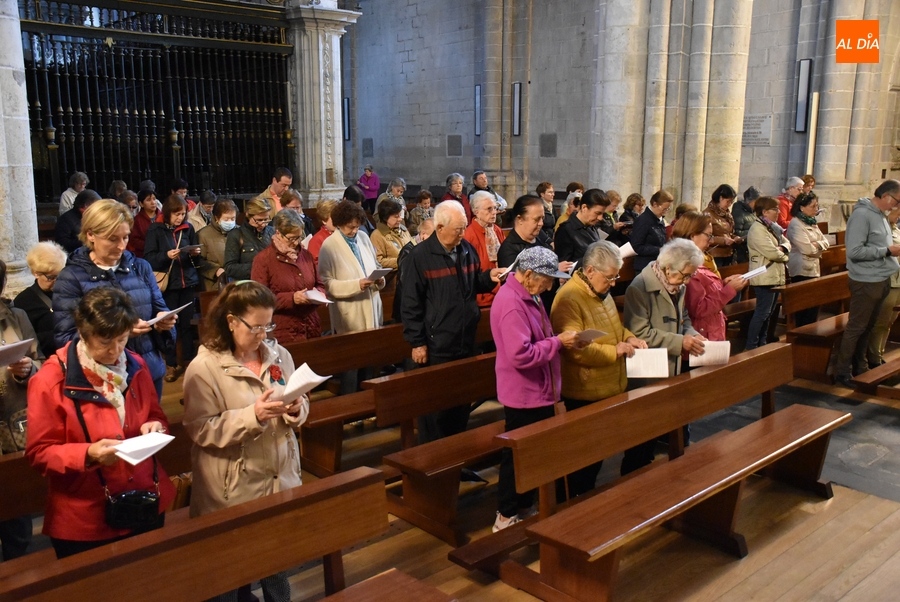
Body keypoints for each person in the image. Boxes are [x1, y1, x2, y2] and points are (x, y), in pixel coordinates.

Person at [27, 287, 175, 559]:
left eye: (122, 339)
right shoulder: (51, 381)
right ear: (83, 333)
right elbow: (39, 453)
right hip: (86, 515)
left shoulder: (136, 365)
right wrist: (88, 453)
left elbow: (156, 414)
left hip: (144, 497)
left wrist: (154, 425)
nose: (116, 350)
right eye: (105, 342)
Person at [183, 281, 308, 601]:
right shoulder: (204, 368)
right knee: (231, 573)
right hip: (233, 488)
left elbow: (300, 402)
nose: (263, 335)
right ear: (231, 321)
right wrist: (253, 416)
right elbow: (201, 429)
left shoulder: (279, 355)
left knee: (277, 565)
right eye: (256, 327)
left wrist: (296, 408)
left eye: (269, 325)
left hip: (280, 478)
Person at [491, 247, 582, 532]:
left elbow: (539, 335)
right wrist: (558, 343)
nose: (550, 285)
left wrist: (559, 340)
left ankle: (523, 508)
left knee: (535, 454)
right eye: (547, 279)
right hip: (524, 394)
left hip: (540, 389)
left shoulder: (530, 294)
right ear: (528, 274)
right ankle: (505, 517)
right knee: (518, 458)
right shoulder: (512, 303)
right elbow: (521, 355)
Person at [550, 241, 647, 498]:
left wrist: (629, 337)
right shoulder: (570, 298)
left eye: (616, 276)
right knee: (581, 463)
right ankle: (570, 511)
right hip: (583, 390)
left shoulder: (599, 291)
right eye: (610, 277)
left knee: (597, 456)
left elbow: (612, 327)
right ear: (590, 270)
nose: (614, 282)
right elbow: (574, 347)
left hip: (607, 386)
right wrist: (614, 351)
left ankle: (585, 506)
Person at [54, 200, 177, 398]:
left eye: (126, 237)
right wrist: (121, 333)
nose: (121, 246)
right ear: (90, 235)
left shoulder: (141, 267)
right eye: (112, 239)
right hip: (104, 379)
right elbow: (66, 339)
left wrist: (164, 322)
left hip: (147, 369)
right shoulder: (72, 277)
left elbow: (158, 308)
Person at [400, 200, 502, 442]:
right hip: (438, 345)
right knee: (437, 411)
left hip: (465, 340)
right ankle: (435, 466)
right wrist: (417, 342)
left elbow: (472, 283)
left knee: (460, 405)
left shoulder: (466, 249)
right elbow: (410, 303)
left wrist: (489, 277)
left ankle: (456, 459)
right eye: (458, 229)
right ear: (440, 228)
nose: (462, 234)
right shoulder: (420, 257)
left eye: (464, 227)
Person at [623, 238, 706, 474]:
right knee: (642, 433)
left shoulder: (676, 283)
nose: (687, 281)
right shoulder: (639, 288)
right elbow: (639, 333)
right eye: (685, 275)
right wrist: (681, 341)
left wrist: (693, 335)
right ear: (668, 268)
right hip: (648, 369)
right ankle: (632, 479)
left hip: (671, 365)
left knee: (664, 423)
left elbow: (684, 319)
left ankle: (652, 476)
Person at [834, 181, 900, 388]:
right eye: (897, 201)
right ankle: (842, 372)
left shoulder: (880, 216)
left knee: (869, 327)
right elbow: (854, 252)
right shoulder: (862, 215)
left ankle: (860, 367)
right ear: (887, 196)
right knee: (857, 327)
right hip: (865, 281)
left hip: (881, 278)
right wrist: (888, 251)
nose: (896, 206)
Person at [317, 201, 386, 394]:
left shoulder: (363, 237)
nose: (355, 231)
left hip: (371, 305)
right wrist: (357, 285)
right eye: (350, 227)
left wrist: (379, 280)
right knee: (352, 365)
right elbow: (327, 283)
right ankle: (350, 407)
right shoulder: (329, 246)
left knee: (370, 362)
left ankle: (369, 403)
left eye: (357, 226)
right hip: (350, 311)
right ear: (339, 224)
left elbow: (373, 264)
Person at [0, 259, 43, 561]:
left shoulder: (16, 317)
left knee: (16, 513)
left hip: (14, 425)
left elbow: (41, 361)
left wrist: (27, 369)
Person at [144, 195, 209, 382]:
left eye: (183, 214)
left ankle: (189, 362)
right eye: (176, 214)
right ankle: (171, 364)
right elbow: (148, 258)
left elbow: (194, 261)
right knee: (169, 325)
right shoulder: (155, 230)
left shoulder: (188, 229)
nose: (180, 218)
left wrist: (195, 254)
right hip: (169, 285)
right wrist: (166, 255)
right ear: (167, 213)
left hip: (187, 281)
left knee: (187, 325)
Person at [252, 209, 325, 343]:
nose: (297, 242)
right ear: (278, 233)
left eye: (299, 237)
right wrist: (292, 298)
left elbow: (320, 284)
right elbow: (259, 299)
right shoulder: (263, 259)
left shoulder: (306, 255)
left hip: (311, 326)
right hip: (283, 330)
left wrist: (319, 293)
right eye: (292, 238)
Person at [673, 212, 748, 341]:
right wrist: (729, 290)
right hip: (701, 335)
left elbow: (704, 290)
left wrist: (724, 284)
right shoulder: (686, 266)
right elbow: (699, 308)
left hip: (710, 329)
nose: (712, 240)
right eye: (709, 235)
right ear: (692, 236)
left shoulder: (697, 260)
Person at [745, 197, 791, 351]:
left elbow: (786, 242)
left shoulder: (772, 227)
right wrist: (784, 255)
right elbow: (771, 253)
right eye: (775, 209)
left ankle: (762, 343)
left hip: (773, 275)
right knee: (762, 313)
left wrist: (783, 249)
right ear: (765, 212)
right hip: (763, 276)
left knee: (769, 314)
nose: (778, 212)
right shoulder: (757, 229)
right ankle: (751, 346)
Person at [14, 241, 68, 359]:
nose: (57, 282)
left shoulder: (70, 292)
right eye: (51, 277)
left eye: (60, 276)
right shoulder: (24, 302)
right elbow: (26, 342)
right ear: (36, 273)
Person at [786, 192, 830, 327]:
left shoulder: (812, 222)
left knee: (813, 306)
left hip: (813, 268)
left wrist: (818, 245)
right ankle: (801, 334)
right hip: (801, 270)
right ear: (801, 207)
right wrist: (817, 246)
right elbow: (807, 249)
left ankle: (809, 332)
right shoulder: (795, 224)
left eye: (817, 206)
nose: (816, 209)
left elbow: (826, 242)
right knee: (804, 307)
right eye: (813, 206)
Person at [868, 206, 900, 368]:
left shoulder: (895, 229)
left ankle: (879, 354)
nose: (899, 214)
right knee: (881, 321)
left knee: (889, 322)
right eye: (897, 211)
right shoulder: (879, 231)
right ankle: (873, 357)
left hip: (898, 282)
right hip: (887, 281)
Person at [464, 191, 507, 307]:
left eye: (495, 208)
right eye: (489, 209)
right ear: (476, 212)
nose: (494, 213)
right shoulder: (469, 236)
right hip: (482, 295)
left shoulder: (497, 230)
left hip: (502, 289)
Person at [224, 197, 274, 281]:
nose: (263, 224)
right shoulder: (236, 235)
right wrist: (258, 266)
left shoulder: (272, 232)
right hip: (248, 285)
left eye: (266, 220)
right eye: (259, 220)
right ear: (248, 215)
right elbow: (230, 268)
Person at [554, 188, 608, 263]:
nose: (600, 218)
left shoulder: (591, 226)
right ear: (584, 207)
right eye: (597, 213)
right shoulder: (565, 230)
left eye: (603, 214)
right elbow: (564, 265)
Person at [196, 198, 237, 291]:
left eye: (233, 218)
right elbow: (198, 261)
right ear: (217, 218)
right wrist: (215, 270)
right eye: (226, 219)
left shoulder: (239, 232)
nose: (230, 222)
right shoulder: (203, 235)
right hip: (215, 284)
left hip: (238, 283)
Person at [631, 190, 673, 272]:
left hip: (656, 264)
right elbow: (636, 246)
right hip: (644, 267)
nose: (665, 212)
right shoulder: (643, 220)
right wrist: (659, 250)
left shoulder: (659, 219)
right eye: (664, 209)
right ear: (655, 204)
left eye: (668, 209)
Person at [370, 199, 414, 271]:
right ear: (385, 217)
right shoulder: (377, 235)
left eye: (400, 215)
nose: (400, 219)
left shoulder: (403, 230)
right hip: (393, 277)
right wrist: (401, 260)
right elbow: (378, 261)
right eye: (396, 217)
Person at [706, 184, 741, 268]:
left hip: (728, 253)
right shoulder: (707, 214)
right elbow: (705, 236)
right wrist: (723, 240)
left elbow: (728, 232)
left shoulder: (727, 214)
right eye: (728, 201)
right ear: (721, 198)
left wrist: (735, 237)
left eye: (731, 202)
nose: (729, 204)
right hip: (715, 254)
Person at [57, 189, 101, 254]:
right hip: (74, 256)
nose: (97, 209)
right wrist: (86, 241)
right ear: (86, 205)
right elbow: (62, 244)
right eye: (96, 205)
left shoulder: (94, 217)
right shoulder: (66, 219)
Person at [127, 189, 159, 259]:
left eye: (154, 199)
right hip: (144, 255)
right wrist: (150, 245)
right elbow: (134, 240)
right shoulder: (137, 220)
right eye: (148, 200)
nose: (153, 202)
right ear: (141, 204)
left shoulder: (164, 217)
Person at [732, 186, 760, 263]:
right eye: (756, 202)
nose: (758, 204)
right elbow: (737, 232)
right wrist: (756, 232)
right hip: (742, 251)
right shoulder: (739, 211)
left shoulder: (754, 211)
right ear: (749, 201)